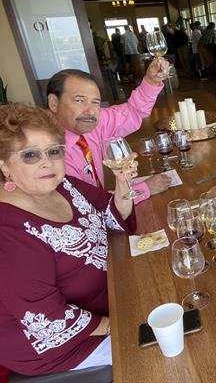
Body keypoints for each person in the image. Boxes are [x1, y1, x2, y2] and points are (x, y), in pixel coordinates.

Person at [0, 103, 137, 375]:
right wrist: (121, 324)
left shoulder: (63, 185)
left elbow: (108, 214)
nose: (47, 162)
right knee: (163, 349)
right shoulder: (8, 232)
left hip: (112, 298)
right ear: (4, 165)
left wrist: (123, 186)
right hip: (64, 346)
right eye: (30, 155)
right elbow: (48, 319)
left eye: (54, 151)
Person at [46, 61, 171, 204]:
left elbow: (133, 111)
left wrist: (151, 80)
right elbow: (82, 207)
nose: (90, 111)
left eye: (95, 102)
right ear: (54, 103)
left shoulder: (89, 122)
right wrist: (145, 188)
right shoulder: (46, 151)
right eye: (79, 100)